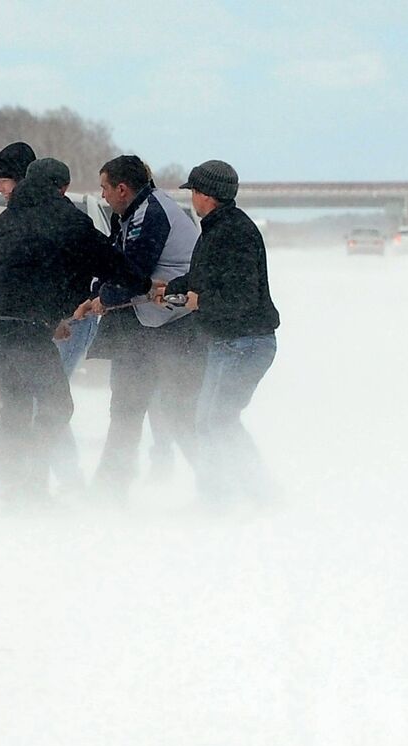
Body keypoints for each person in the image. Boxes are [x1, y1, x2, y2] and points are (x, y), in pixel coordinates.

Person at [0, 157, 126, 501]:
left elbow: (3, 274)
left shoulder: (7, 218)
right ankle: (31, 486)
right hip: (24, 326)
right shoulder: (66, 218)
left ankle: (10, 485)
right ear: (62, 188)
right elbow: (108, 262)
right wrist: (143, 283)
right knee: (56, 405)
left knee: (17, 404)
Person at [76, 154, 203, 503]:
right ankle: (110, 489)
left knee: (175, 413)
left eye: (104, 188)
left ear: (122, 188)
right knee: (128, 409)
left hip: (172, 327)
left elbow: (133, 273)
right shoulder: (133, 213)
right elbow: (115, 264)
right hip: (148, 327)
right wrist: (97, 294)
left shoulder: (151, 214)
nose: (102, 196)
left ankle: (222, 480)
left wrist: (104, 298)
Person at [155, 160, 280, 505]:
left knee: (215, 421)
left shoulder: (235, 233)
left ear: (207, 195)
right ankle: (241, 494)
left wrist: (202, 302)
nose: (192, 197)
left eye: (194, 191)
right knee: (214, 420)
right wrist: (170, 289)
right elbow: (203, 278)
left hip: (245, 343)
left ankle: (235, 498)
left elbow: (242, 295)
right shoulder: (217, 229)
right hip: (230, 343)